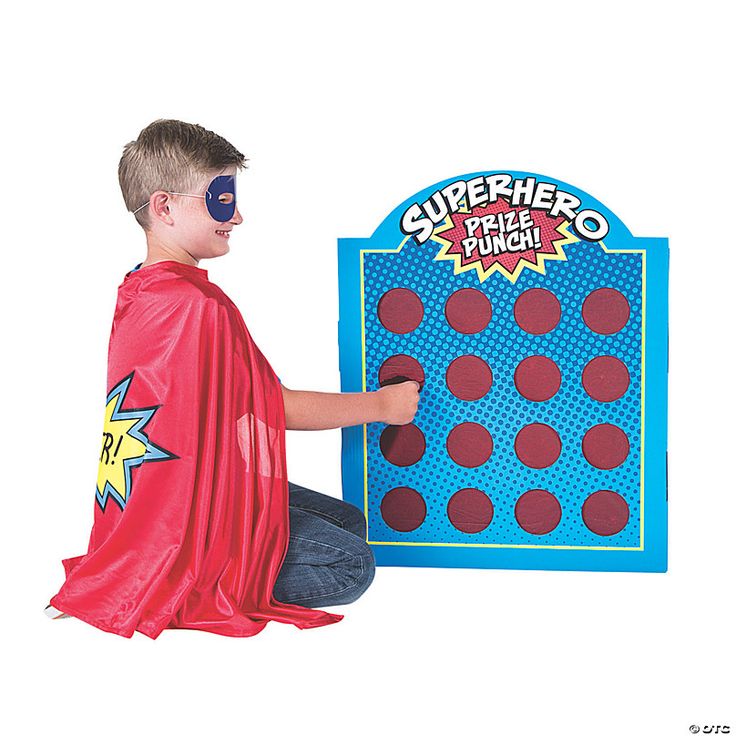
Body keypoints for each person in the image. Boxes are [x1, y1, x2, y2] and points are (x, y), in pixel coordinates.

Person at [45, 119, 420, 638]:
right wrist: (382, 406)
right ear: (164, 207)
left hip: (163, 496)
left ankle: (157, 568)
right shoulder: (196, 306)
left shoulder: (140, 290)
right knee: (352, 566)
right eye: (220, 199)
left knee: (350, 524)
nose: (238, 216)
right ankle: (186, 584)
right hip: (183, 518)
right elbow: (273, 408)